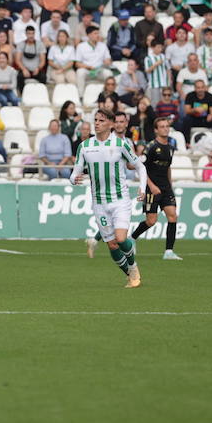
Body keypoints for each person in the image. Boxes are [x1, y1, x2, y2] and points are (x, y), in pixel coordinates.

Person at [71, 107, 148, 288]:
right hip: (99, 203)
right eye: (96, 120)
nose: (97, 123)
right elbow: (74, 173)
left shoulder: (121, 144)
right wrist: (74, 179)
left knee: (121, 239)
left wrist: (142, 187)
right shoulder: (85, 146)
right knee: (112, 245)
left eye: (101, 120)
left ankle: (134, 268)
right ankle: (130, 274)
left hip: (120, 200)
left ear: (111, 124)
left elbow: (140, 167)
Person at [131, 115, 182, 260]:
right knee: (151, 221)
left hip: (166, 188)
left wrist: (170, 185)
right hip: (152, 188)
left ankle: (169, 251)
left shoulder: (171, 147)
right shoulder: (151, 147)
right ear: (156, 130)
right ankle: (132, 238)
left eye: (167, 126)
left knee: (172, 216)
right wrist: (151, 186)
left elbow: (168, 167)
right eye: (162, 127)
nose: (165, 129)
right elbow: (141, 169)